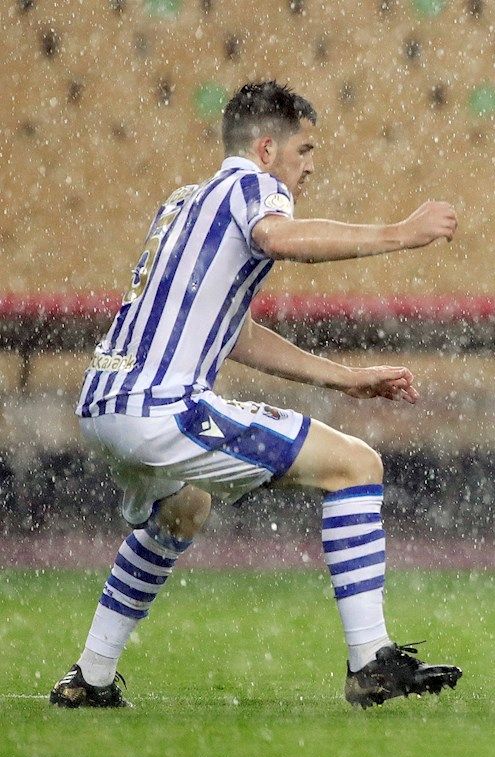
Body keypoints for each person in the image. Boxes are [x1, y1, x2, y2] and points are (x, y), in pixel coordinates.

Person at [51, 81, 463, 709]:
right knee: (356, 467)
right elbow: (278, 237)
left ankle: (90, 679)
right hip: (163, 407)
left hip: (105, 403)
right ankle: (371, 664)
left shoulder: (186, 203)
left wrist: (345, 378)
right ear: (266, 148)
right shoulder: (253, 187)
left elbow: (234, 333)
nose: (309, 166)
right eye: (303, 151)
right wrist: (401, 233)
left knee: (184, 509)